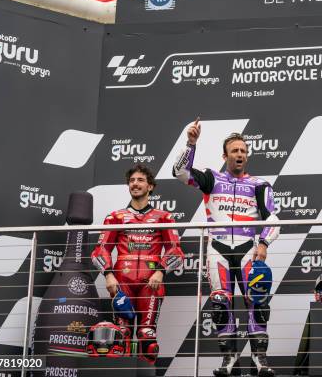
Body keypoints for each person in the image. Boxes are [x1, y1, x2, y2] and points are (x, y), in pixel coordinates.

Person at [173, 118, 280, 377]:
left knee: (257, 302)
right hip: (217, 248)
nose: (240, 154)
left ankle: (259, 358)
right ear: (225, 155)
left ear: (248, 155)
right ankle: (229, 359)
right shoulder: (212, 179)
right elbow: (180, 172)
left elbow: (274, 218)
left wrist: (264, 243)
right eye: (235, 150)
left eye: (243, 151)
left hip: (248, 248)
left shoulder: (259, 185)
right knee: (220, 305)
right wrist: (191, 143)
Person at [91, 164, 184, 364]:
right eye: (132, 180)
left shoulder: (164, 217)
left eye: (140, 180)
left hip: (150, 283)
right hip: (121, 284)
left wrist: (160, 271)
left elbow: (175, 250)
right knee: (121, 334)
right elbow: (100, 250)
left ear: (150, 186)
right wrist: (108, 274)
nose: (135, 184)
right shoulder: (115, 217)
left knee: (147, 336)